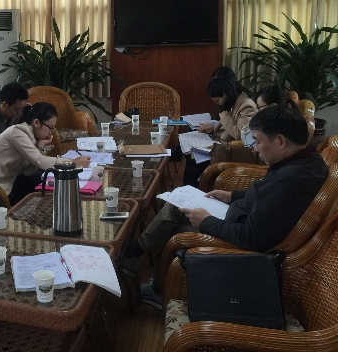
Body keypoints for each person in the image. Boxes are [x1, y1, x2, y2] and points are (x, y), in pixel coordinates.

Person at [122, 106, 328, 309]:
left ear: (280, 141)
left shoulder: (291, 180)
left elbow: (251, 238)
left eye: (258, 141)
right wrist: (232, 196)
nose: (255, 149)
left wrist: (206, 222)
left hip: (243, 240)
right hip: (239, 216)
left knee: (177, 226)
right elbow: (268, 198)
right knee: (177, 207)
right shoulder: (305, 162)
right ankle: (137, 258)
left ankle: (143, 269)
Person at [0, 103, 91, 205]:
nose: (51, 133)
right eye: (50, 128)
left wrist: (40, 146)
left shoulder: (30, 137)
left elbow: (29, 170)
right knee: (39, 181)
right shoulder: (17, 132)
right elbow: (40, 161)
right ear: (36, 123)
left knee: (39, 178)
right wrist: (72, 163)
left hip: (6, 181)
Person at [198, 77, 258, 142]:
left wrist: (225, 117)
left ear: (224, 95)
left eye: (217, 100)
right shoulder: (231, 102)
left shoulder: (247, 106)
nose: (217, 103)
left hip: (235, 147)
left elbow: (240, 134)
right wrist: (212, 128)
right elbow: (228, 126)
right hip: (222, 143)